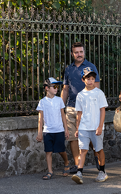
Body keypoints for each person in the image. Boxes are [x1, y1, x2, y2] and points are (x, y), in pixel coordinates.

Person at [61, 42, 100, 174]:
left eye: (81, 52)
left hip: (87, 109)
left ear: (84, 52)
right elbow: (65, 89)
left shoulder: (91, 67)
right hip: (71, 107)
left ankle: (97, 155)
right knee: (73, 137)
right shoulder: (68, 69)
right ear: (72, 54)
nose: (79, 54)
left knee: (89, 136)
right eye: (76, 52)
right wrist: (61, 106)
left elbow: (97, 87)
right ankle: (79, 166)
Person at [72, 66, 108, 184]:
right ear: (83, 80)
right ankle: (79, 172)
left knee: (98, 150)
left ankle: (102, 171)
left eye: (92, 78)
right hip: (84, 127)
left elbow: (102, 110)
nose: (90, 81)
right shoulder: (80, 95)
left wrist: (100, 126)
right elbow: (79, 113)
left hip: (96, 127)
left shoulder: (99, 93)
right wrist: (78, 128)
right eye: (88, 78)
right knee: (83, 150)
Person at [36, 77, 70, 180]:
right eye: (54, 86)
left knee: (61, 150)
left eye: (57, 87)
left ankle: (66, 162)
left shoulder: (59, 100)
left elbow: (63, 115)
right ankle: (50, 171)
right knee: (48, 151)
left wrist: (66, 129)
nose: (56, 89)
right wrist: (40, 132)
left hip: (59, 130)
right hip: (48, 131)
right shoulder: (42, 102)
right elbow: (40, 118)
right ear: (47, 88)